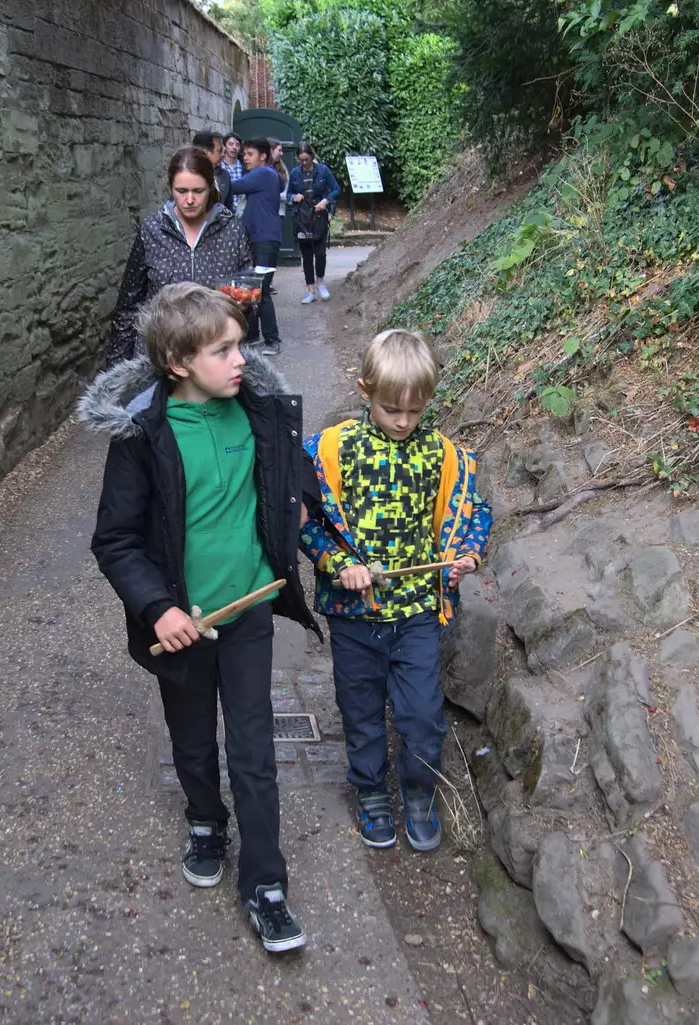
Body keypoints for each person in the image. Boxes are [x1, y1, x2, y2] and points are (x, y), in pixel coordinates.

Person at [81, 282, 320, 953]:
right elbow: (116, 538)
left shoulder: (260, 411)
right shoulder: (142, 436)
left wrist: (298, 504)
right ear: (180, 362)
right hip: (184, 623)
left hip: (248, 612)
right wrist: (156, 609)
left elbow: (294, 475)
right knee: (193, 742)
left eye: (240, 343)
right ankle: (205, 820)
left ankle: (266, 884)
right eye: (224, 350)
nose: (241, 358)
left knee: (253, 750)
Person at [300, 330, 492, 853]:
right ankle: (371, 794)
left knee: (422, 711)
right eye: (391, 410)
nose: (405, 421)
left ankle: (418, 791)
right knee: (359, 708)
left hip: (416, 613)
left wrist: (466, 554)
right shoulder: (331, 451)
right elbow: (306, 519)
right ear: (366, 392)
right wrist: (339, 564)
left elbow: (474, 511)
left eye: (416, 409)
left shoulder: (443, 455)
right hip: (353, 613)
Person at [108, 147, 253, 364]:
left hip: (213, 358)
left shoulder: (232, 231)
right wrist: (117, 375)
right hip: (160, 357)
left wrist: (245, 306)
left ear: (210, 187)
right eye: (182, 191)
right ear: (170, 188)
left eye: (198, 191)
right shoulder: (152, 231)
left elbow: (249, 295)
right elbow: (128, 307)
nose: (190, 199)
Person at [225, 138, 285, 355]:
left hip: (264, 239)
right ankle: (253, 336)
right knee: (253, 289)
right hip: (261, 237)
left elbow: (231, 186)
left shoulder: (263, 173)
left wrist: (217, 171)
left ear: (263, 155)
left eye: (249, 154)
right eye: (244, 154)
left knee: (262, 290)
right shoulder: (268, 175)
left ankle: (272, 340)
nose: (245, 158)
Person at [289, 143, 341, 304]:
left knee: (320, 253)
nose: (304, 163)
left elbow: (336, 189)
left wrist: (326, 201)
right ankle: (310, 290)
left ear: (312, 156)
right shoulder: (295, 173)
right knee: (306, 255)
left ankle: (320, 283)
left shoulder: (323, 170)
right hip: (302, 218)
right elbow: (288, 193)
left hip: (319, 216)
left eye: (307, 159)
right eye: (301, 160)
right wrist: (293, 197)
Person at [193, 130, 233, 211]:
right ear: (205, 152)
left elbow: (229, 208)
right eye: (220, 150)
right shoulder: (187, 175)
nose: (223, 154)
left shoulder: (225, 176)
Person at [221, 133, 246, 218]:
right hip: (224, 210)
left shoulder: (244, 166)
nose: (234, 147)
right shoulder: (219, 166)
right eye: (231, 144)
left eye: (237, 145)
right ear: (225, 146)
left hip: (241, 211)